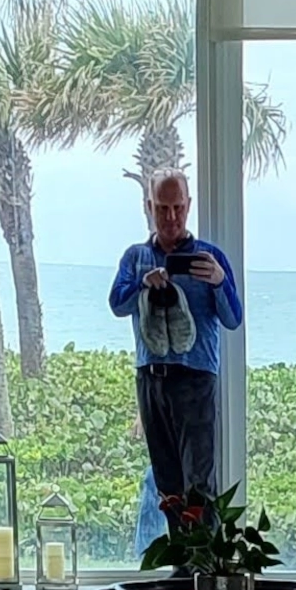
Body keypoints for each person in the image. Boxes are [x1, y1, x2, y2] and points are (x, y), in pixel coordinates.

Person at [109, 170, 241, 521]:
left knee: (199, 484)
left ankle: (204, 567)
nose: (171, 217)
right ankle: (181, 566)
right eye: (163, 208)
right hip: (150, 378)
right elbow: (117, 305)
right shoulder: (135, 257)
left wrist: (219, 281)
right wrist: (141, 283)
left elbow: (233, 318)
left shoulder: (209, 256)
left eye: (178, 208)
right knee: (167, 484)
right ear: (149, 207)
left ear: (189, 206)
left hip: (196, 379)